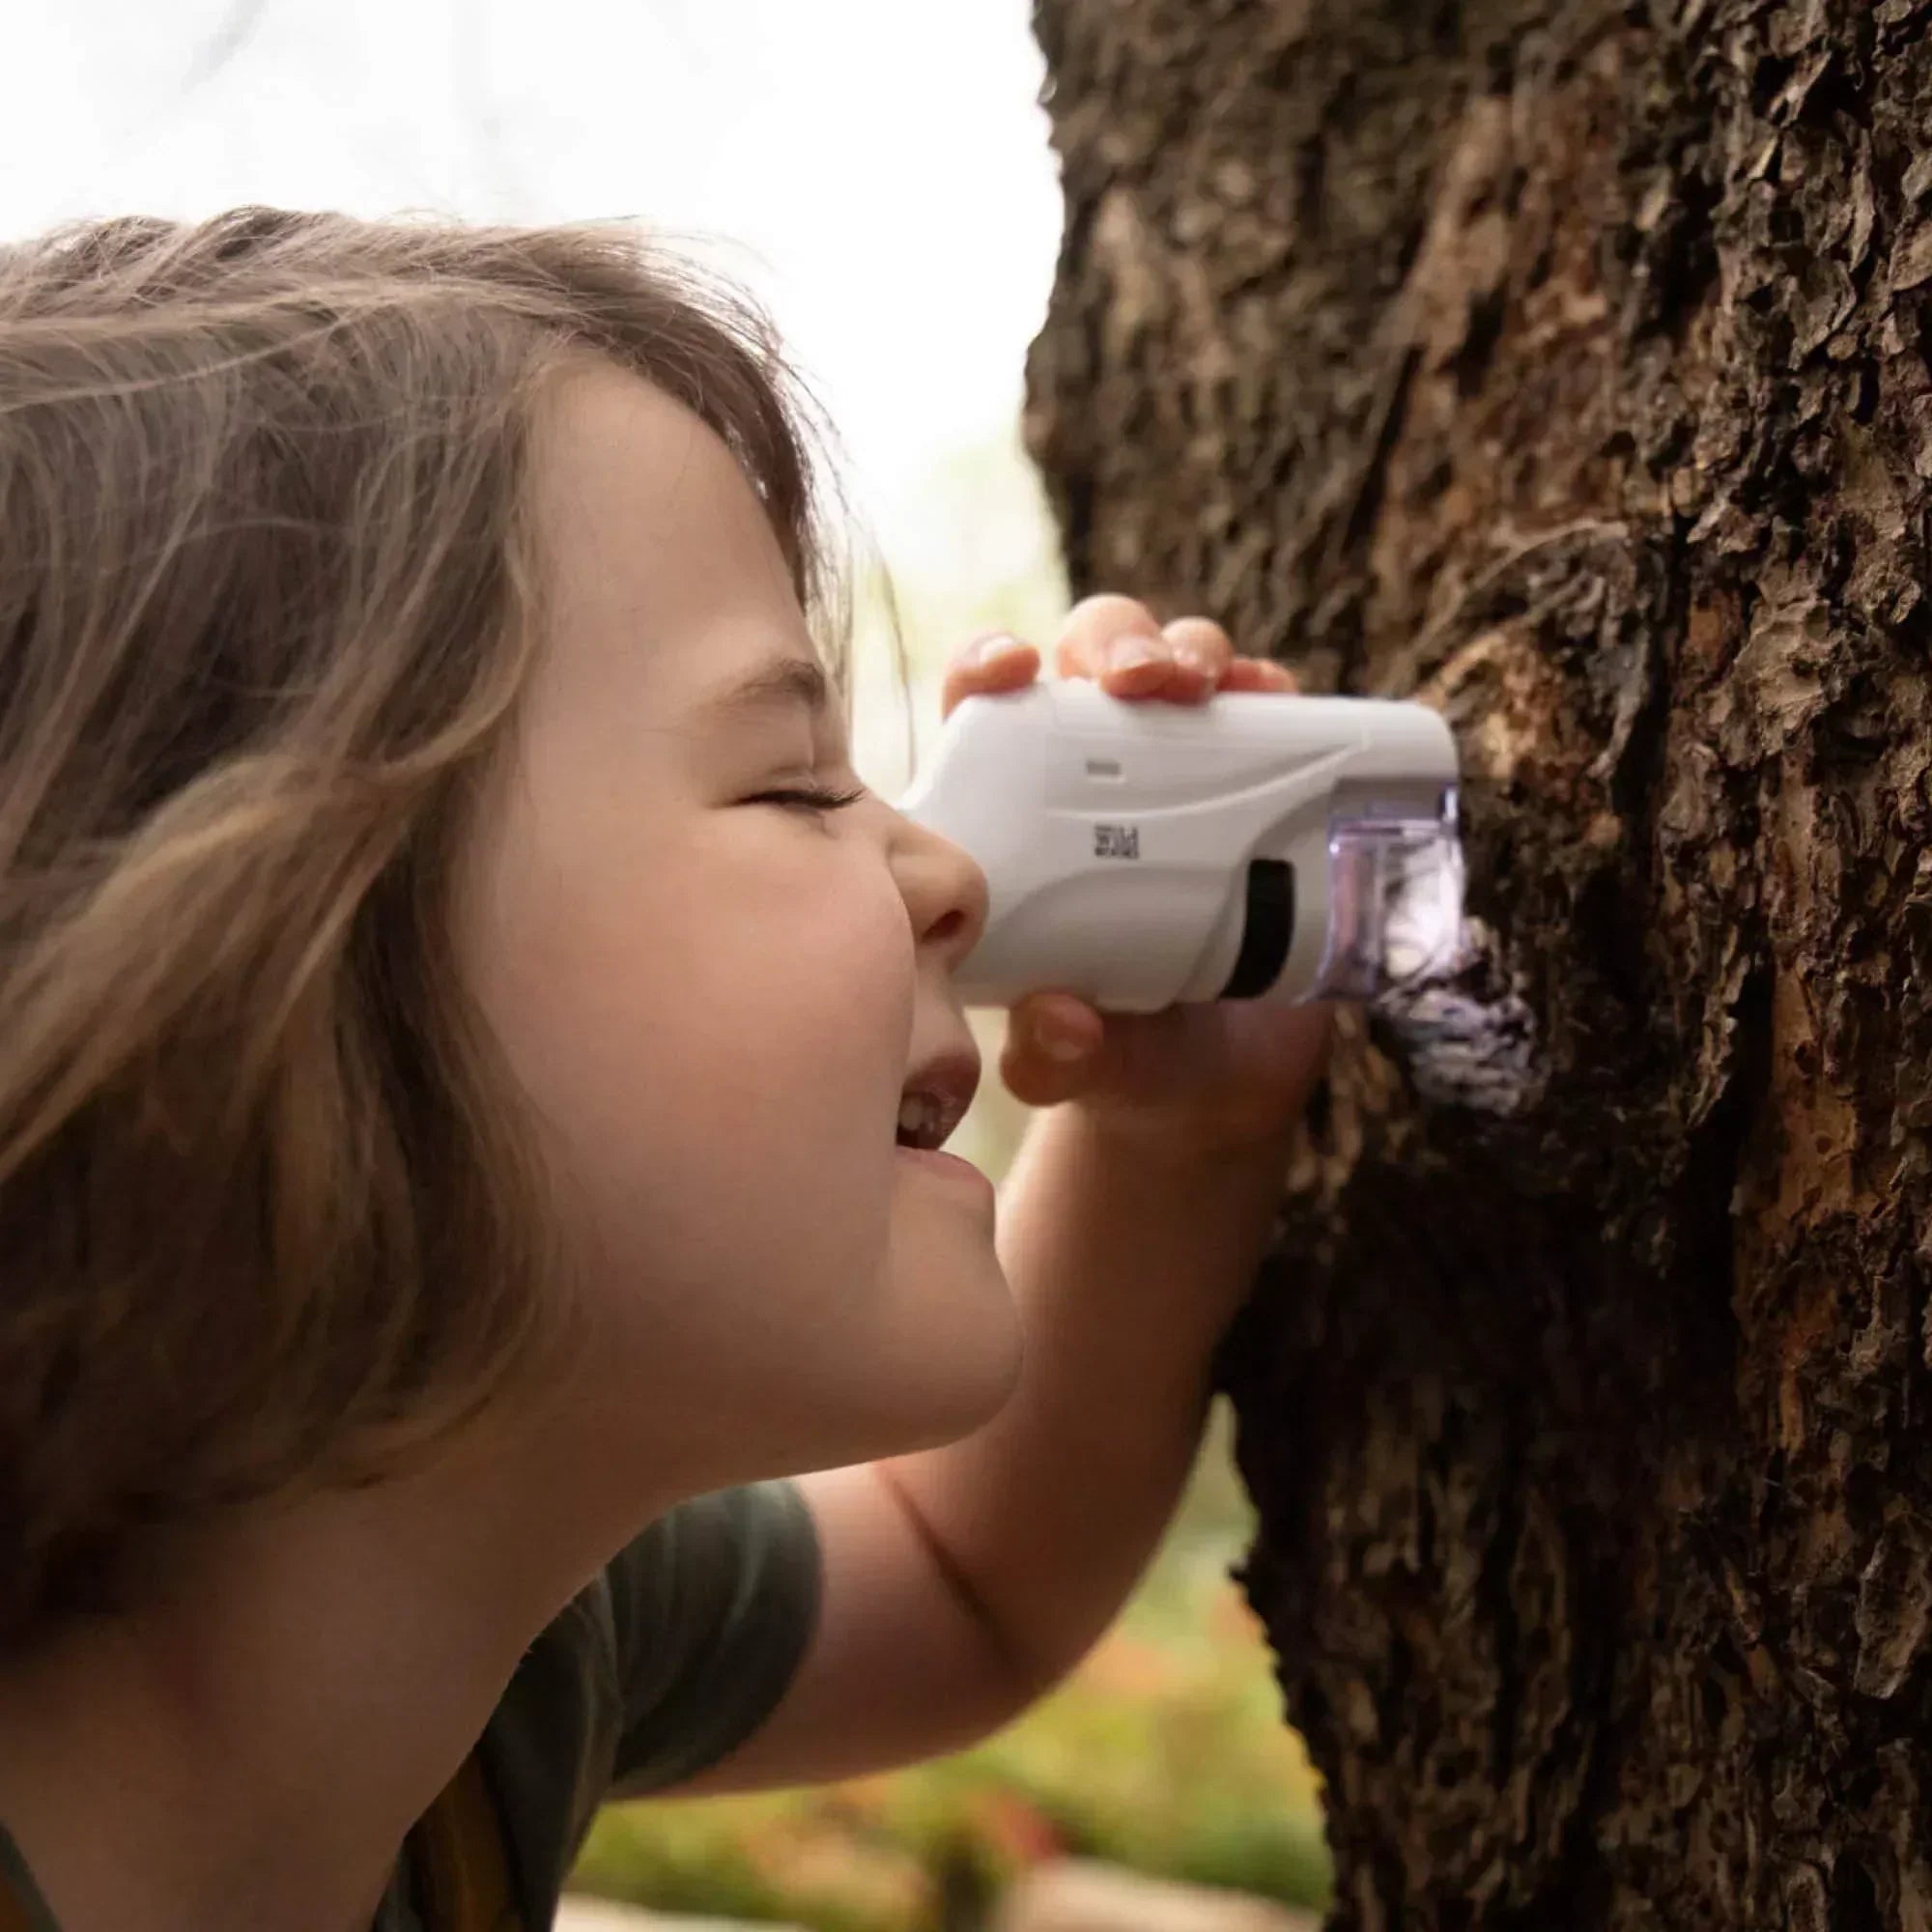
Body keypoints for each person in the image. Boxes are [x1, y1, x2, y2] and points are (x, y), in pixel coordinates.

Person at [0, 209, 1333, 1932]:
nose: (952, 880)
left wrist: (1178, 1144)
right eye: (793, 782)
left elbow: (959, 1574)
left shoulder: (509, 1640)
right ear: (258, 975)